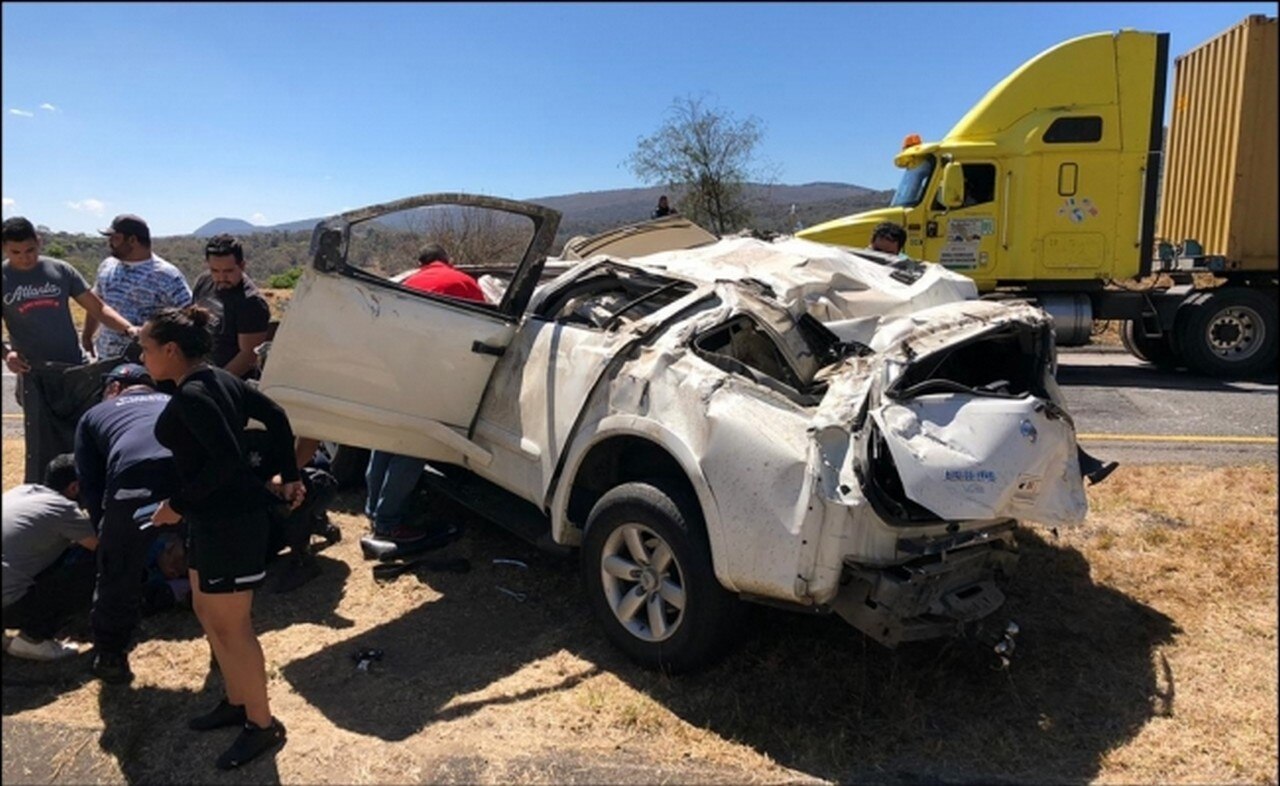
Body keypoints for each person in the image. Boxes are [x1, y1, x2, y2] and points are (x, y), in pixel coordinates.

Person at [141, 305, 302, 770]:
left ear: (171, 350)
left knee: (233, 626)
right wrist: (288, 474)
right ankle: (237, 700)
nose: (142, 356)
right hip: (212, 522)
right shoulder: (217, 379)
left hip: (231, 522)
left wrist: (177, 506)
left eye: (146, 349)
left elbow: (228, 461)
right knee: (206, 609)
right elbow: (274, 414)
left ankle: (262, 723)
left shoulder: (195, 393)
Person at [3, 216, 141, 483]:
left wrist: (129, 329)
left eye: (30, 250)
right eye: (15, 252)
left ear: (39, 242)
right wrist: (6, 354)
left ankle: (86, 493)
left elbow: (97, 307)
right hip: (35, 376)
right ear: (5, 249)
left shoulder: (60, 271)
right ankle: (45, 496)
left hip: (75, 372)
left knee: (82, 436)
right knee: (42, 443)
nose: (25, 258)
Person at [366, 244, 482, 542]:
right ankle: (388, 523)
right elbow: (486, 328)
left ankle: (373, 511)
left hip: (396, 373)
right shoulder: (464, 282)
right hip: (432, 376)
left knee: (387, 440)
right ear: (449, 260)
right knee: (415, 447)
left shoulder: (408, 283)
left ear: (420, 263)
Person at [74, 363, 179, 684]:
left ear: (115, 389)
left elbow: (91, 485)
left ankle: (110, 655)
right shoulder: (174, 402)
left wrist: (109, 535)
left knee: (117, 569)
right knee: (209, 562)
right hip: (191, 473)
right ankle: (224, 652)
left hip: (135, 474)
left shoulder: (95, 414)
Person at [2, 454, 99, 660]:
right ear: (74, 488)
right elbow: (99, 547)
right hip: (9, 605)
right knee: (92, 564)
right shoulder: (64, 509)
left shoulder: (21, 492)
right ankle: (33, 639)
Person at [81, 214, 192, 362]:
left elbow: (188, 316)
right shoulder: (107, 266)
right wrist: (87, 335)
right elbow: (96, 303)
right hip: (105, 358)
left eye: (115, 238)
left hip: (146, 363)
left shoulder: (166, 275)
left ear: (132, 240)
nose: (110, 243)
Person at [190, 234, 273, 380]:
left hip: (229, 383)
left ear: (242, 266)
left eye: (228, 271)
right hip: (198, 368)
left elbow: (248, 356)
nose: (221, 277)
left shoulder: (251, 303)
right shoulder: (204, 281)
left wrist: (216, 384)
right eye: (215, 270)